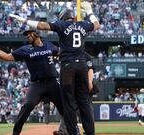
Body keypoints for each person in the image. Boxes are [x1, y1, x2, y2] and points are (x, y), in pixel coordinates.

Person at [9, 1, 100, 134]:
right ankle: (90, 133)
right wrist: (90, 12)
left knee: (68, 102)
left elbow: (41, 25)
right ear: (73, 17)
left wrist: (24, 20)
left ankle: (73, 133)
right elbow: (96, 25)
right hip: (82, 65)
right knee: (84, 101)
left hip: (68, 66)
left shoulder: (61, 24)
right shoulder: (82, 24)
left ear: (62, 19)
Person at [0, 30, 64, 135]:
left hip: (53, 83)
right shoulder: (25, 49)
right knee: (27, 106)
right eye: (26, 35)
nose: (27, 36)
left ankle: (72, 131)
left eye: (29, 33)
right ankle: (15, 133)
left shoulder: (49, 45)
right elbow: (6, 56)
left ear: (37, 34)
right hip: (37, 85)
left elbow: (62, 53)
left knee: (65, 109)